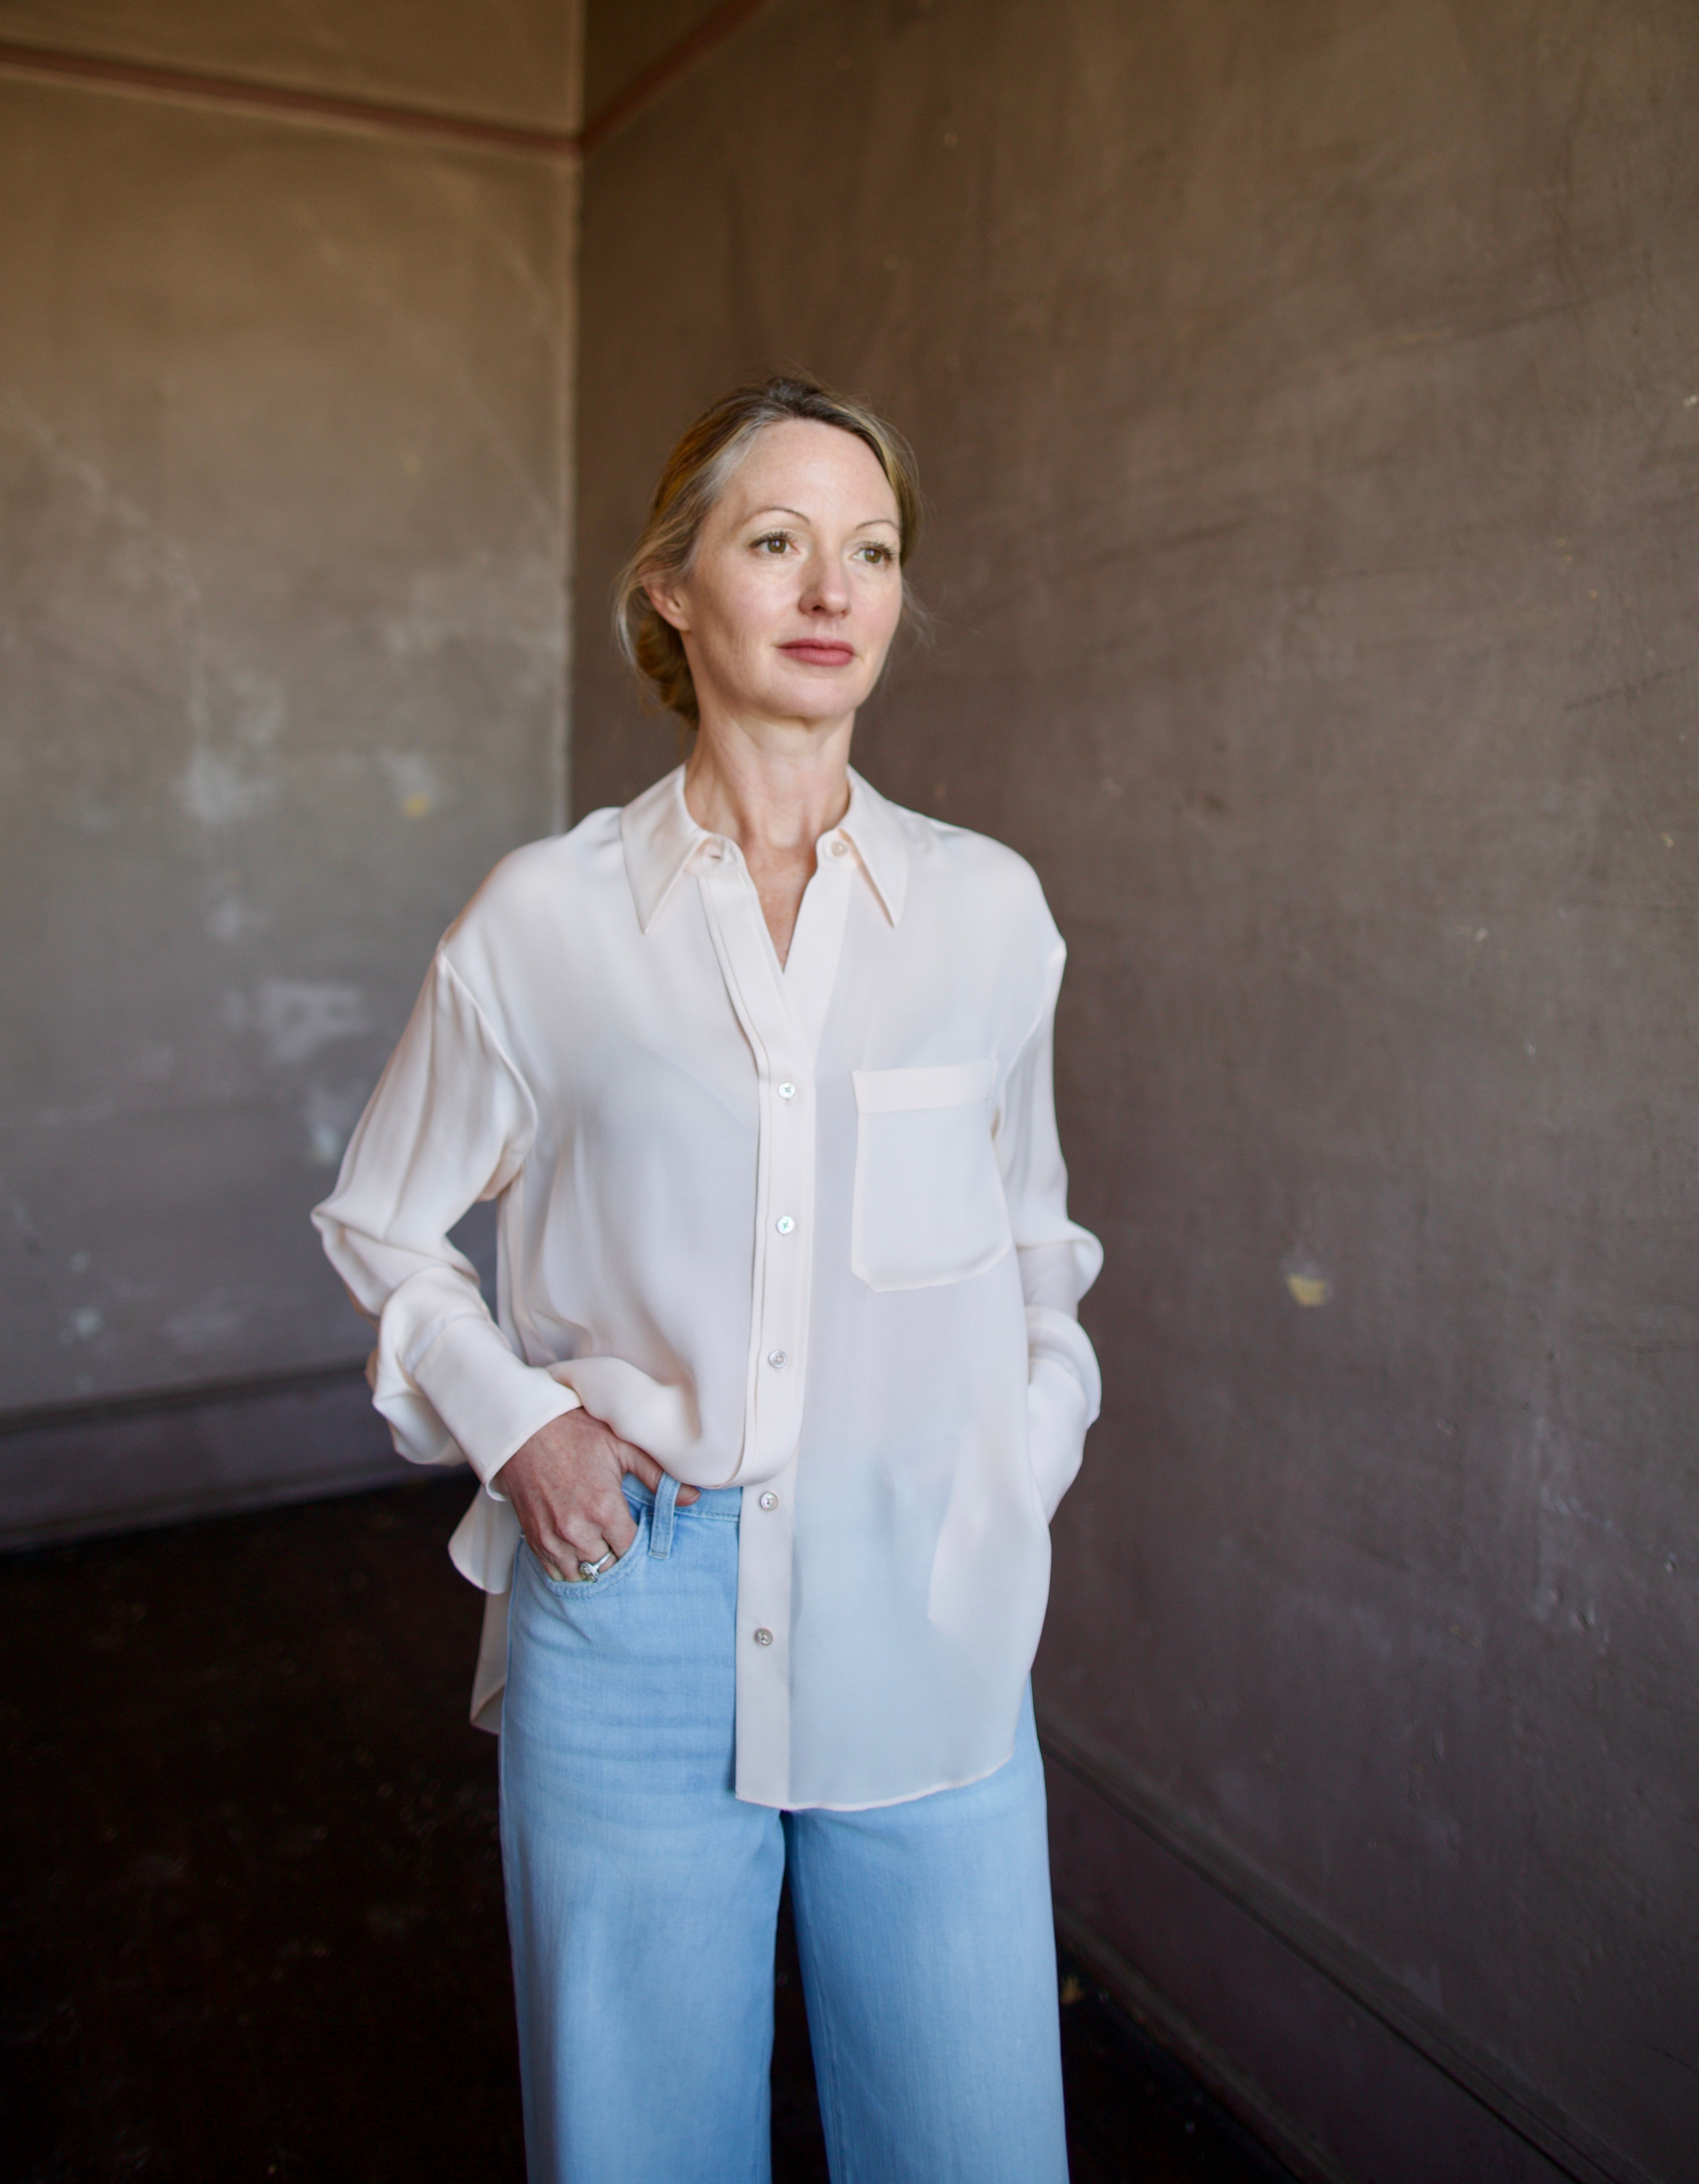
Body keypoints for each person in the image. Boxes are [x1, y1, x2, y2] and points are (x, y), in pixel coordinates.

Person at [313, 375, 1102, 2184]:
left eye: (874, 551)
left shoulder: (991, 915)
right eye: (778, 543)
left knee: (971, 2142)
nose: (836, 591)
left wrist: (1021, 1456)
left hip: (927, 1592)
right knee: (639, 2146)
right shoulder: (545, 921)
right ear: (676, 588)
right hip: (634, 1612)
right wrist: (517, 1429)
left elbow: (1038, 1238)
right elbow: (379, 1218)